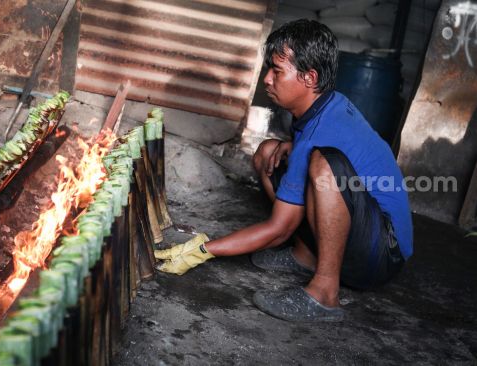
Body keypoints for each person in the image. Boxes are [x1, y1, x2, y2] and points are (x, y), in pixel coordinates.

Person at [154, 19, 413, 322]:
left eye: (277, 71)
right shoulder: (324, 107)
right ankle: (305, 256)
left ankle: (324, 293)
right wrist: (292, 144)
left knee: (323, 165)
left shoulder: (323, 130)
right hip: (363, 233)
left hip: (382, 254)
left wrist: (202, 249)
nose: (267, 79)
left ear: (309, 78)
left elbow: (278, 230)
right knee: (268, 152)